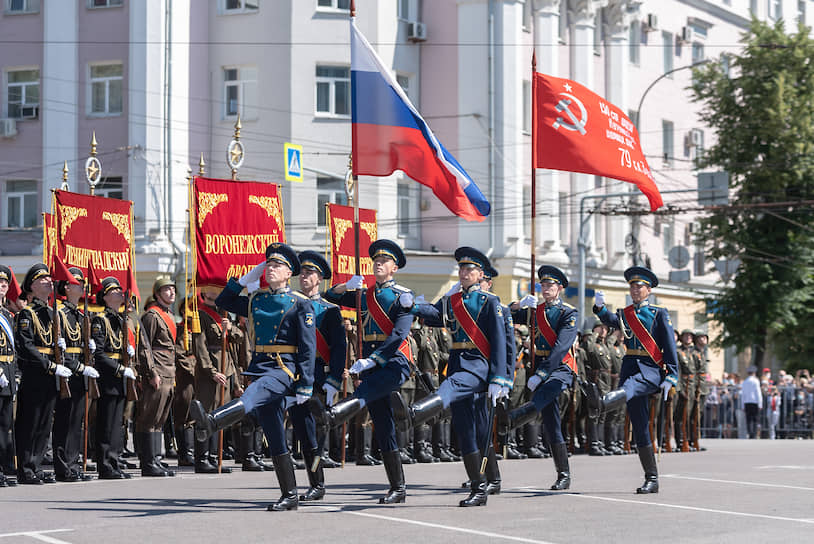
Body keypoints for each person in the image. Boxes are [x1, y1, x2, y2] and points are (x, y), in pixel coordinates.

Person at [191, 242, 315, 511]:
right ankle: (290, 494)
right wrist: (248, 277)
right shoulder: (257, 299)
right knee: (273, 431)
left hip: (284, 368)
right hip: (259, 365)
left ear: (289, 272)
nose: (271, 268)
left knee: (252, 395)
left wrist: (306, 384)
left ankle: (212, 421)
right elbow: (224, 301)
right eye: (268, 264)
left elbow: (308, 347)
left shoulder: (300, 303)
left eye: (277, 265)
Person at [404, 247, 509, 507]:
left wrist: (500, 378)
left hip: (478, 366)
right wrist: (414, 306)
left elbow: (499, 342)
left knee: (450, 388)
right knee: (465, 432)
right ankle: (479, 487)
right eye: (461, 269)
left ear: (480, 273)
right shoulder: (452, 301)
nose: (464, 273)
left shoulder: (490, 302)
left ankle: (415, 412)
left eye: (469, 269)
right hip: (458, 362)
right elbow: (434, 315)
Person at [322, 239, 414, 505]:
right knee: (383, 426)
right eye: (376, 261)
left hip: (395, 361)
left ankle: (334, 414)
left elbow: (398, 335)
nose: (378, 264)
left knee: (366, 391)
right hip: (371, 366)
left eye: (384, 261)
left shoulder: (402, 296)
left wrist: (373, 359)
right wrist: (347, 286)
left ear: (394, 267)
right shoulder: (365, 294)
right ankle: (398, 487)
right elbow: (331, 296)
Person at [588, 266, 678, 494]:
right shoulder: (626, 313)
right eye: (632, 287)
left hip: (650, 370)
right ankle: (652, 478)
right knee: (639, 426)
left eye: (639, 287)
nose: (635, 290)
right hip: (630, 366)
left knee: (629, 387)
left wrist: (672, 375)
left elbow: (669, 346)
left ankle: (601, 403)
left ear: (649, 290)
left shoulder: (659, 313)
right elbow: (609, 319)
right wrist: (599, 307)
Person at [496, 265, 577, 491]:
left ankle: (514, 419)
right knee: (551, 424)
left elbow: (561, 347)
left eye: (550, 285)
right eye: (543, 284)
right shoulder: (535, 310)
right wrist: (519, 305)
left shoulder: (568, 313)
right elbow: (504, 314)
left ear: (559, 288)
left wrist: (541, 374)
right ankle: (564, 474)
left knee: (546, 391)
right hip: (539, 364)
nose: (546, 288)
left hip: (560, 367)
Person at [287, 250, 346, 501]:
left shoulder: (330, 310)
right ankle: (313, 482)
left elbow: (339, 347)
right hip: (296, 375)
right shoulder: (290, 305)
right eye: (302, 272)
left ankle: (317, 483)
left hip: (320, 377)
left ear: (320, 278)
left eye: (309, 273)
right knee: (302, 430)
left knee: (316, 434)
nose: (304, 276)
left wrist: (334, 380)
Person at [15, 263, 71, 484]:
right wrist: (50, 365)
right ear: (32, 286)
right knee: (31, 422)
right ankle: (26, 468)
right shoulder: (27, 314)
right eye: (43, 280)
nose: (49, 282)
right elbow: (27, 346)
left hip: (50, 375)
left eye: (50, 279)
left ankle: (36, 466)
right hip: (35, 374)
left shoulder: (52, 312)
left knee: (45, 423)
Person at [53, 267, 99, 482]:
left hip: (81, 372)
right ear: (66, 287)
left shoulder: (81, 315)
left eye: (81, 284)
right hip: (68, 373)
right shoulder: (60, 313)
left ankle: (73, 465)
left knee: (77, 421)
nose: (81, 287)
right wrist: (79, 367)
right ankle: (63, 467)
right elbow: (60, 350)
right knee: (65, 420)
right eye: (76, 284)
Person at [91, 277, 137, 480]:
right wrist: (120, 369)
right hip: (109, 377)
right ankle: (105, 464)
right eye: (116, 291)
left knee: (118, 423)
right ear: (106, 296)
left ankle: (115, 461)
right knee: (107, 423)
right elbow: (100, 354)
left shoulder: (120, 319)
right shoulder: (101, 320)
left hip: (119, 377)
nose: (120, 294)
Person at [193, 285, 241, 473]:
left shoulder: (224, 314)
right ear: (204, 292)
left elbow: (239, 338)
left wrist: (230, 328)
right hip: (210, 373)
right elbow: (200, 347)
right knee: (205, 413)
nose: (215, 291)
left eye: (217, 288)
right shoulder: (200, 315)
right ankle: (202, 458)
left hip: (226, 368)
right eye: (210, 288)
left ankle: (214, 456)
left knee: (219, 415)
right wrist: (211, 371)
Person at [136, 277, 179, 477]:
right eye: (166, 289)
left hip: (169, 370)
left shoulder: (168, 314)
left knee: (160, 418)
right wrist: (151, 372)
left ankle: (156, 459)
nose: (171, 293)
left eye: (173, 289)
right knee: (149, 416)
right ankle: (147, 462)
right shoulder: (152, 316)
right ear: (157, 293)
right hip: (158, 370)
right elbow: (144, 346)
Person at [0, 265, 18, 487]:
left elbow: (14, 350)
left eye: (5, 283)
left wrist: (16, 376)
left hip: (8, 376)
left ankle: (4, 469)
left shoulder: (7, 315)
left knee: (5, 426)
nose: (3, 286)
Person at [741, 366, 762, 439]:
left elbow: (743, 395)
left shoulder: (745, 382)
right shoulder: (756, 381)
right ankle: (754, 434)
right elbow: (758, 393)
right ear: (754, 373)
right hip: (754, 402)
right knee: (755, 419)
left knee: (748, 419)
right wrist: (760, 404)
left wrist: (742, 406)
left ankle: (750, 433)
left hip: (747, 402)